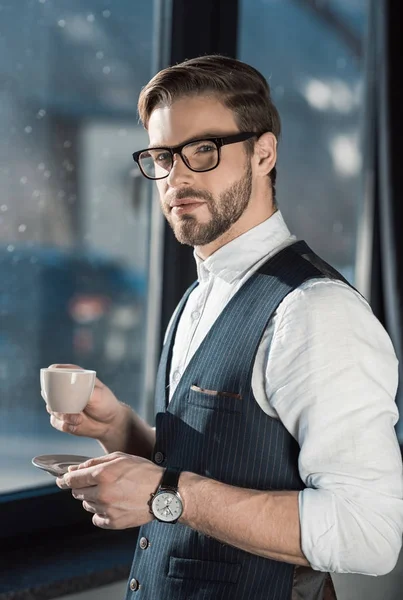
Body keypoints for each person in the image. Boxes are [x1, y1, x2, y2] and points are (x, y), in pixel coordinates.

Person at [50, 55, 403, 600]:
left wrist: (169, 492)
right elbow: (196, 469)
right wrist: (115, 424)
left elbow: (369, 534)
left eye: (203, 150)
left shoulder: (315, 311)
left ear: (263, 153)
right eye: (163, 156)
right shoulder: (199, 296)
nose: (178, 175)